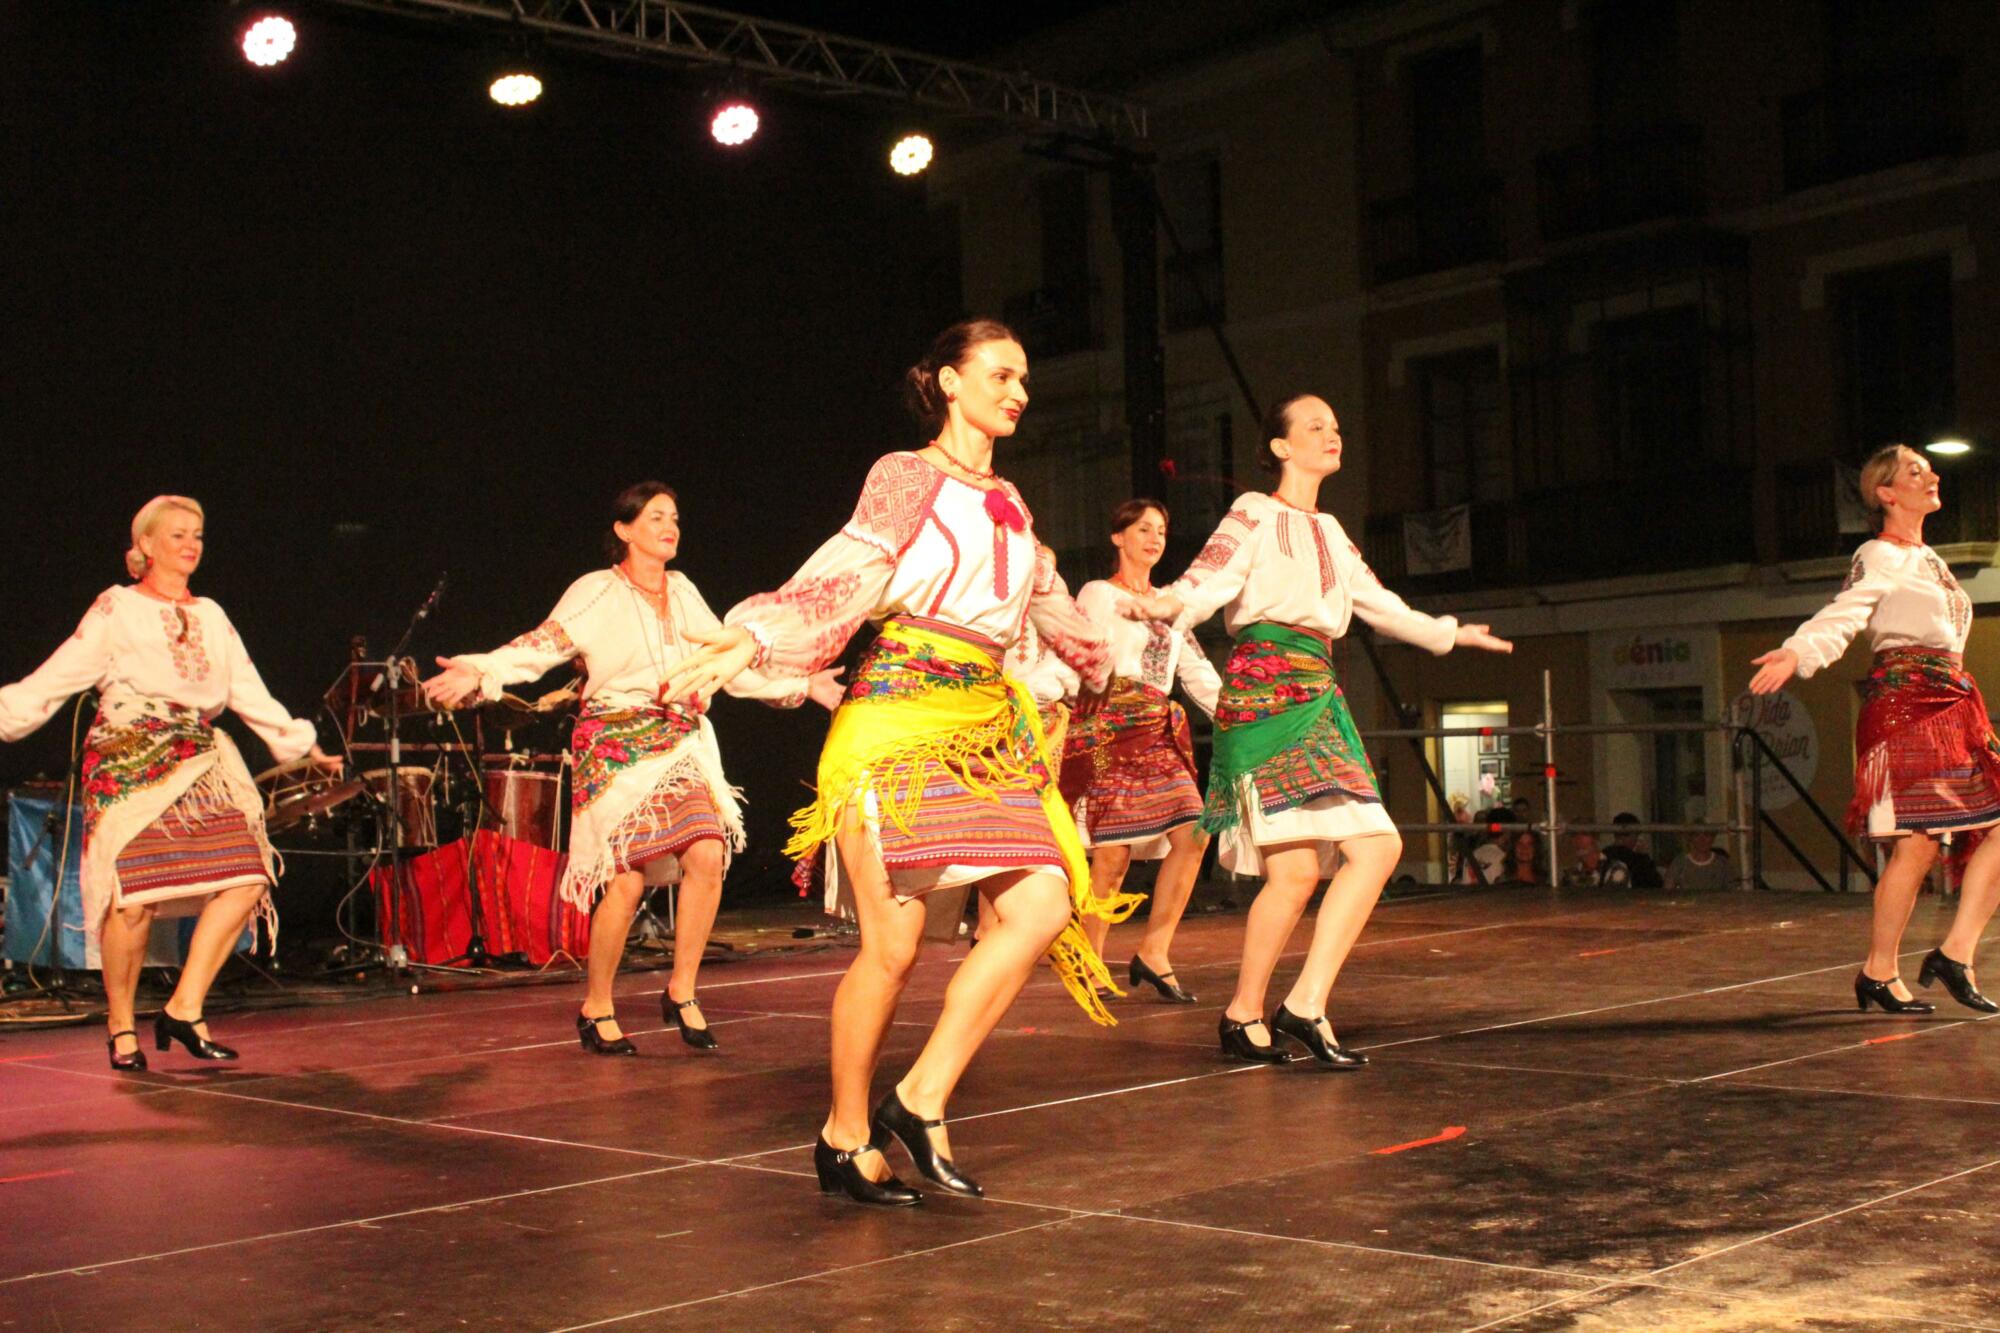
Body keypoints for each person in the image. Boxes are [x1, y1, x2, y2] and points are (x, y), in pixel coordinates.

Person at [661, 319, 1125, 1206]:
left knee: (1043, 903)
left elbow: (1051, 605)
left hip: (985, 732)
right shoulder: (905, 475)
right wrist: (753, 637)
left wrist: (1105, 657)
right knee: (895, 947)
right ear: (949, 382)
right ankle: (844, 1135)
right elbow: (845, 575)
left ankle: (918, 1098)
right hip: (899, 721)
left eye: (1024, 378)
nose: (1018, 391)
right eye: (1001, 374)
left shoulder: (1014, 502)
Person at [1122, 393, 1512, 1069]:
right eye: (1315, 426)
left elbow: (1379, 603)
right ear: (1280, 446)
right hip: (1266, 694)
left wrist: (1448, 632)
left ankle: (1297, 1005)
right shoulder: (1253, 510)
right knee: (1298, 872)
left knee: (1375, 847)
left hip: (1320, 695)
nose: (1333, 435)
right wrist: (1164, 605)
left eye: (1336, 426)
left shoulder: (1331, 530)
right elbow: (1205, 580)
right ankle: (1247, 1012)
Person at [423, 483, 839, 1055]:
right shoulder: (596, 590)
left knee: (708, 852)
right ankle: (597, 1004)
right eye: (656, 517)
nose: (670, 526)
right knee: (625, 880)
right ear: (624, 530)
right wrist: (480, 669)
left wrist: (802, 686)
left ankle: (682, 990)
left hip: (679, 739)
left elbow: (726, 663)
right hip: (615, 740)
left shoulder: (684, 590)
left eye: (675, 518)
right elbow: (541, 645)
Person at [0, 496, 338, 1068]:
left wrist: (302, 745)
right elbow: (57, 676)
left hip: (197, 759)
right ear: (146, 545)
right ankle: (121, 1027)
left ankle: (183, 1008)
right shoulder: (117, 607)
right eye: (177, 534)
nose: (190, 544)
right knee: (134, 901)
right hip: (129, 757)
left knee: (247, 877)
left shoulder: (212, 614)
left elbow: (247, 689)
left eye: (198, 534)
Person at [1750, 443, 2000, 1014]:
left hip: (1950, 703)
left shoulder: (1928, 558)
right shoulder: (1879, 553)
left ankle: (1953, 955)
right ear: (1886, 493)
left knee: (1974, 833)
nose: (1931, 476)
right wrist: (1798, 651)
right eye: (1915, 471)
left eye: (1929, 469)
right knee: (1916, 847)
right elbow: (1847, 611)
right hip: (1905, 706)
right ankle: (1880, 971)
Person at [1061, 498, 1221, 1004]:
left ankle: (1154, 952)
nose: (1155, 539)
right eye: (1144, 529)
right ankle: (1088, 958)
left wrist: (1241, 717)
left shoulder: (1171, 604)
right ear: (1119, 537)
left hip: (1155, 730)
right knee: (1112, 854)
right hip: (1106, 729)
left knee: (1195, 833)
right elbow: (1076, 650)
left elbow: (1196, 671)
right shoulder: (1098, 593)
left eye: (1161, 532)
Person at [1603, 812, 1664, 888]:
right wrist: (1644, 857)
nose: (1637, 839)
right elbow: (1656, 884)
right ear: (1630, 835)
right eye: (1636, 835)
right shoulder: (1637, 860)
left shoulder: (1603, 855)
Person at [1664, 829, 1732, 893]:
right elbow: (1668, 890)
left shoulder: (1722, 863)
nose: (1702, 840)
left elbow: (1732, 890)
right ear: (1691, 838)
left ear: (1713, 838)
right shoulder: (1680, 862)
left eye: (1706, 835)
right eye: (1697, 835)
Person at [1563, 832, 1631, 889]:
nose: (1578, 838)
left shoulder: (1616, 868)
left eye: (1584, 833)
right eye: (1574, 834)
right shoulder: (1572, 872)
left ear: (1595, 839)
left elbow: (1612, 899)